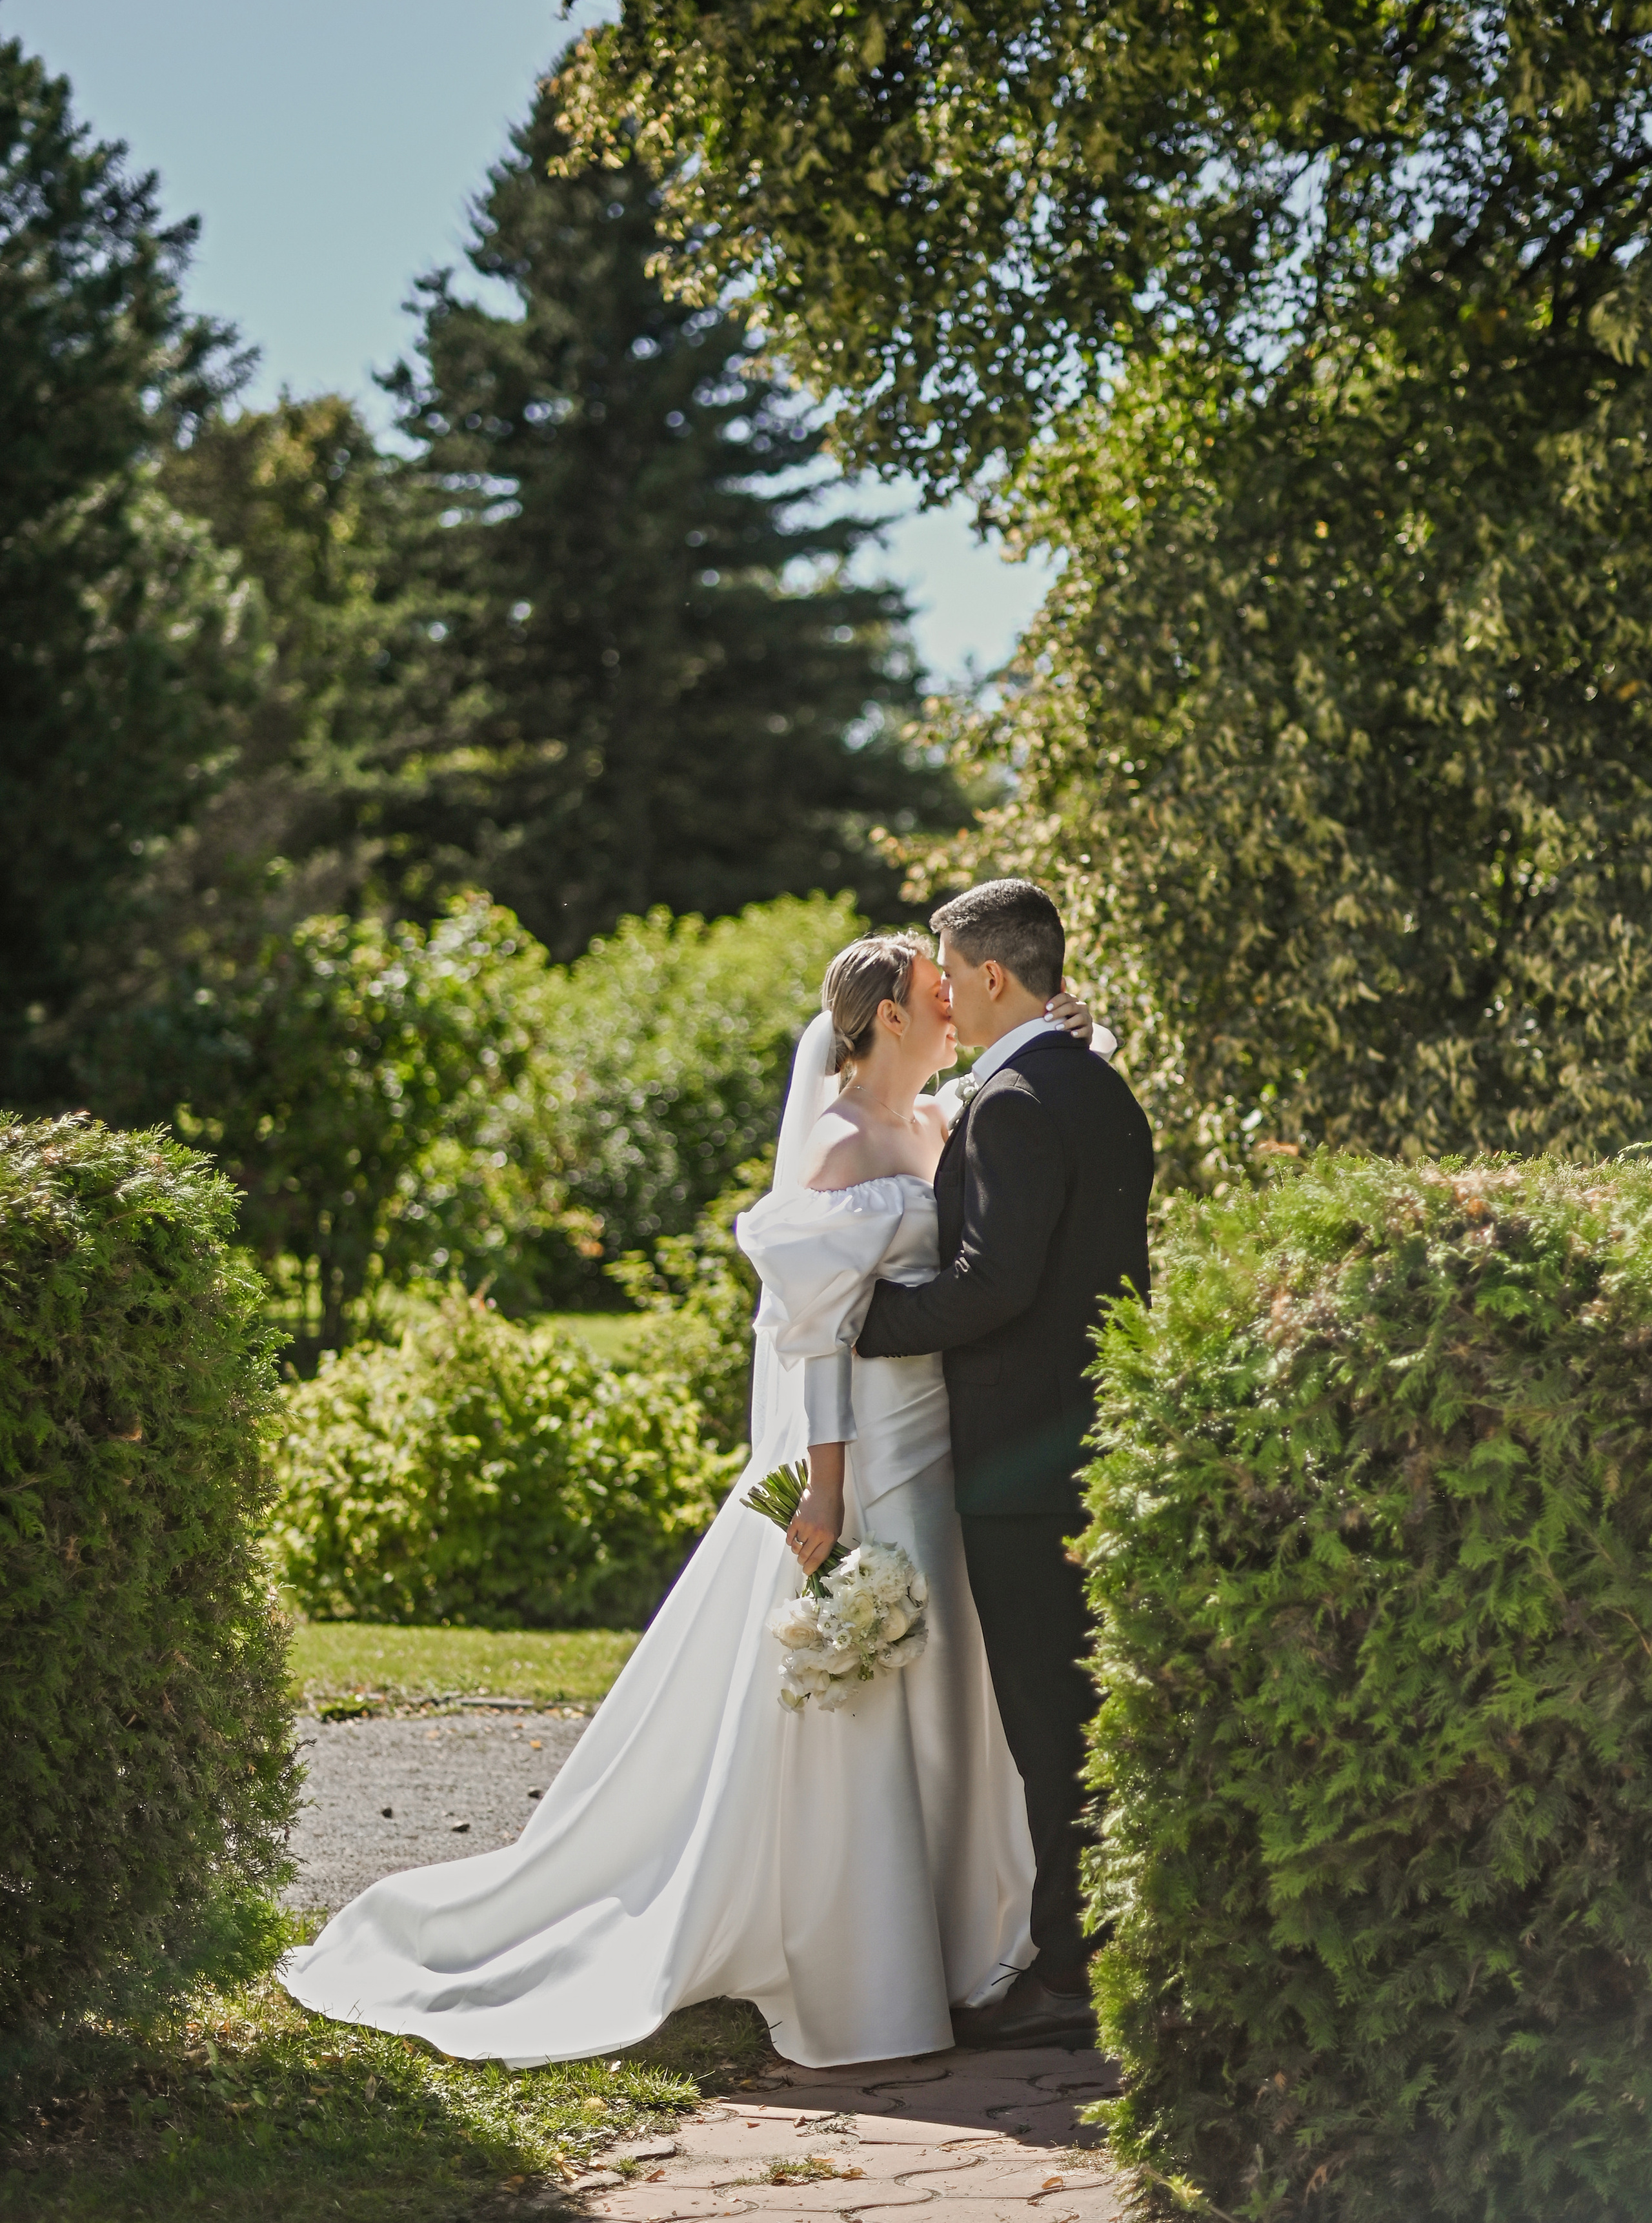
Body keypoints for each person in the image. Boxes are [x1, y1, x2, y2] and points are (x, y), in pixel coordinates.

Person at [279, 935, 1099, 2070]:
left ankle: (967, 1943)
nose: (954, 1003)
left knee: (951, 1690)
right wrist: (824, 1484)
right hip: (867, 1448)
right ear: (888, 1017)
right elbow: (815, 1332)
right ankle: (866, 1955)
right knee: (869, 1690)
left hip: (943, 1441)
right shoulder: (833, 1143)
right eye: (933, 991)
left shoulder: (939, 1120)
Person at [858, 880, 1154, 2053]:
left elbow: (997, 1282)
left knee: (1051, 1718)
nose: (939, 988)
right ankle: (1113, 1944)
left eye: (948, 966)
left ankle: (1074, 1974)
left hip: (1025, 1465)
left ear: (989, 976)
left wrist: (862, 1319)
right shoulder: (1100, 1087)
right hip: (1093, 1437)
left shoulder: (1018, 1099)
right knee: (1086, 1710)